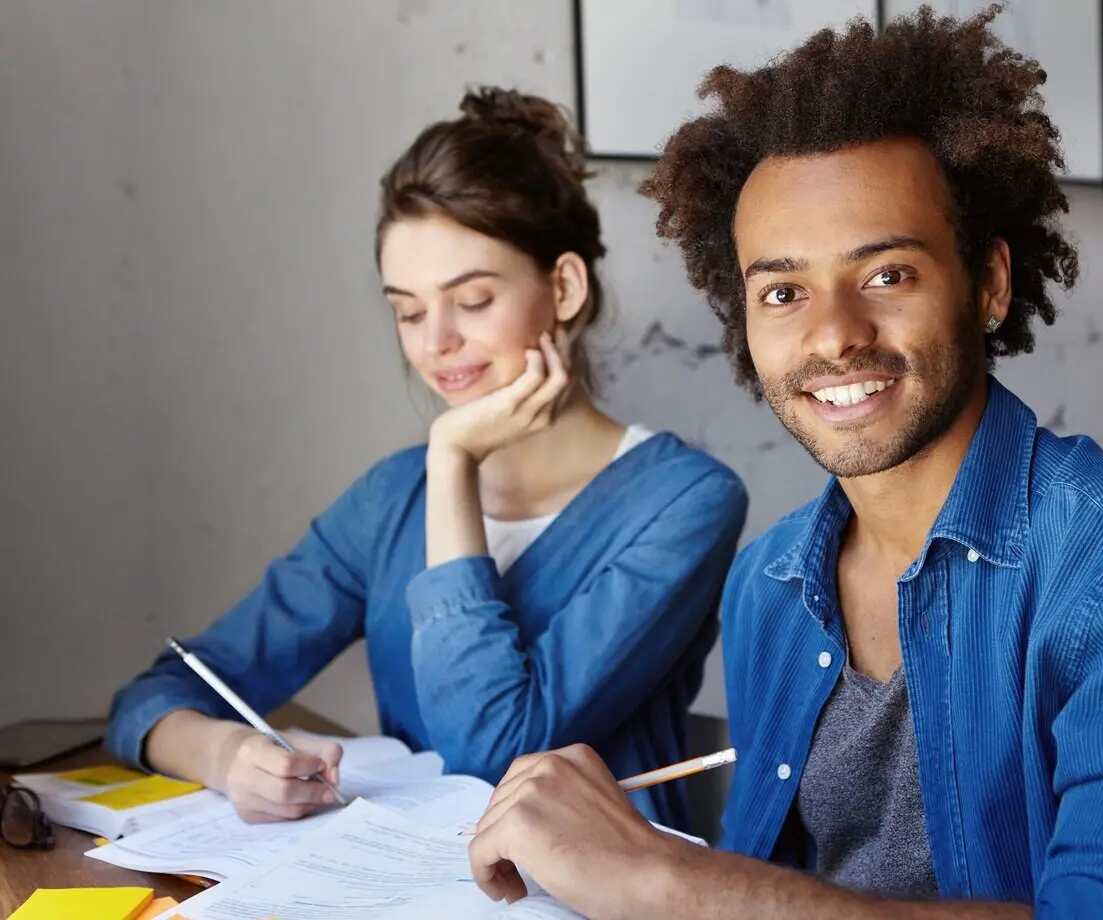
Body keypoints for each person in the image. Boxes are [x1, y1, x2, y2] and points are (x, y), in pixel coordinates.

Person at [464, 9, 1103, 919]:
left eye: (887, 274)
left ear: (988, 284)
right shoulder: (768, 587)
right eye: (783, 291)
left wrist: (664, 878)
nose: (834, 335)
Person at [105, 87, 748, 832]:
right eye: (407, 311)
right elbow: (155, 697)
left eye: (471, 301)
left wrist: (453, 459)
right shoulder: (389, 500)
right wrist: (226, 754)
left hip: (587, 886)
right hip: (405, 879)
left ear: (564, 287)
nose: (434, 342)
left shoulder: (685, 502)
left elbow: (492, 749)